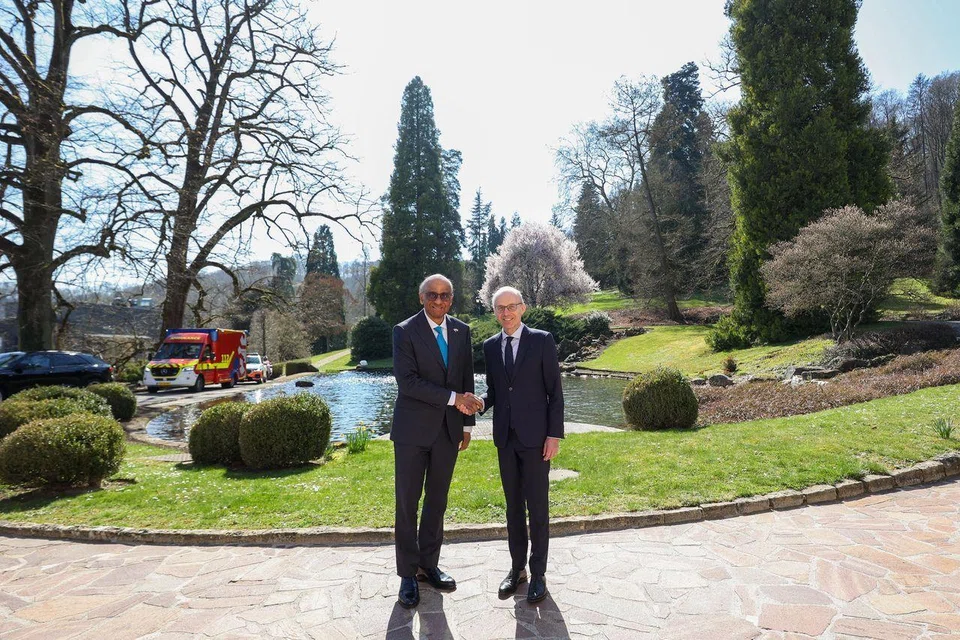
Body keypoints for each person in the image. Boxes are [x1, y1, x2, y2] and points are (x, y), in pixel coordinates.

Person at [390, 274, 483, 609]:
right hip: (412, 433)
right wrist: (454, 398)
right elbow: (408, 382)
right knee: (408, 503)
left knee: (437, 501)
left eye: (445, 295)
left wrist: (467, 425)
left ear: (451, 299)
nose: (439, 301)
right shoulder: (404, 331)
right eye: (432, 295)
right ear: (421, 297)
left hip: (448, 431)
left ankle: (428, 565)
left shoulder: (461, 330)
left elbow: (466, 378)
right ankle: (407, 574)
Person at [476, 286, 563, 603]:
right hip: (506, 440)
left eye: (511, 306)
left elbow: (555, 393)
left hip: (537, 440)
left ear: (523, 308)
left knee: (538, 507)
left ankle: (538, 573)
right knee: (513, 507)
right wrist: (480, 402)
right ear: (495, 312)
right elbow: (496, 390)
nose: (506, 313)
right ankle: (517, 570)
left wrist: (554, 435)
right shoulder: (490, 346)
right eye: (500, 308)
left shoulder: (542, 341)